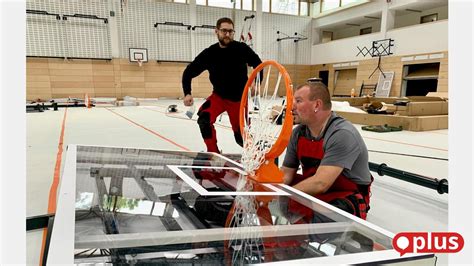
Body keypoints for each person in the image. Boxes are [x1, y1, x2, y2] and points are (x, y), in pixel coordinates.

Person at [282, 81, 373, 220]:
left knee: (323, 214)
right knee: (281, 200)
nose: (292, 107)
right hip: (318, 191)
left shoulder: (342, 134)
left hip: (344, 195)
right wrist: (267, 188)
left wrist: (286, 194)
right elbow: (286, 173)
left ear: (317, 105)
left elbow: (321, 183)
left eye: (298, 101)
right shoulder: (298, 133)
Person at [182, 17, 262, 153]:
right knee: (204, 119)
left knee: (240, 138)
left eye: (231, 31)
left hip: (238, 100)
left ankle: (258, 155)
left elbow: (258, 64)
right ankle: (213, 154)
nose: (227, 34)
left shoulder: (241, 49)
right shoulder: (210, 53)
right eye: (224, 31)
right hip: (218, 97)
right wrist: (187, 93)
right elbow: (188, 72)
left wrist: (257, 82)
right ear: (216, 31)